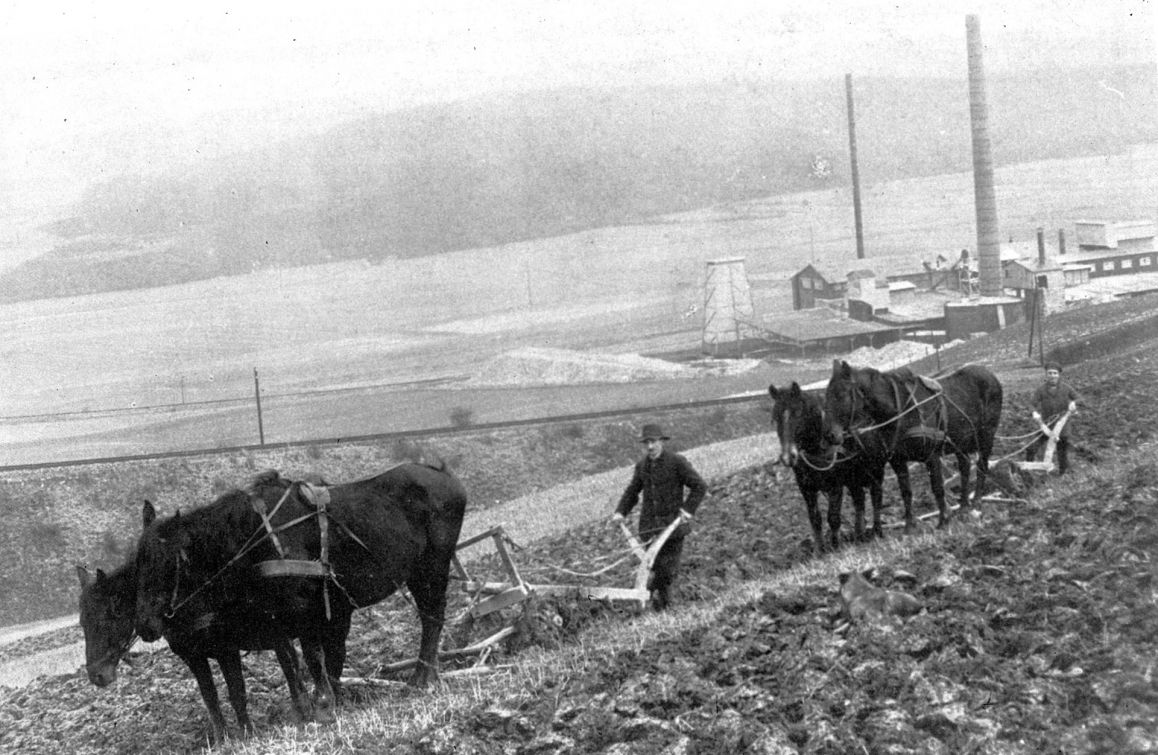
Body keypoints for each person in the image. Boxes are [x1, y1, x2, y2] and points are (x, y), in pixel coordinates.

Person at [611, 423, 707, 610]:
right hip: (650, 530)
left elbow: (700, 486)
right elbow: (633, 491)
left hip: (672, 529)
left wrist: (687, 510)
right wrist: (620, 512)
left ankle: (651, 596)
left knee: (667, 571)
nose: (650, 447)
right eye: (646, 443)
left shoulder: (676, 462)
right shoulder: (642, 466)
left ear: (661, 442)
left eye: (653, 442)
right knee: (655, 569)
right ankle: (662, 607)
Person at [1026, 360, 1080, 474]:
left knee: (1062, 453)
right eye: (1049, 373)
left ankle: (1062, 474)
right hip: (1047, 426)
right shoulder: (1041, 390)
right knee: (1031, 448)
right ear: (1046, 374)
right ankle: (1028, 472)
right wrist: (1034, 413)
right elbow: (1031, 404)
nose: (1052, 376)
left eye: (1054, 373)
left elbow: (1078, 398)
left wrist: (1074, 403)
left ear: (1059, 375)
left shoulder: (1066, 388)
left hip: (1063, 427)